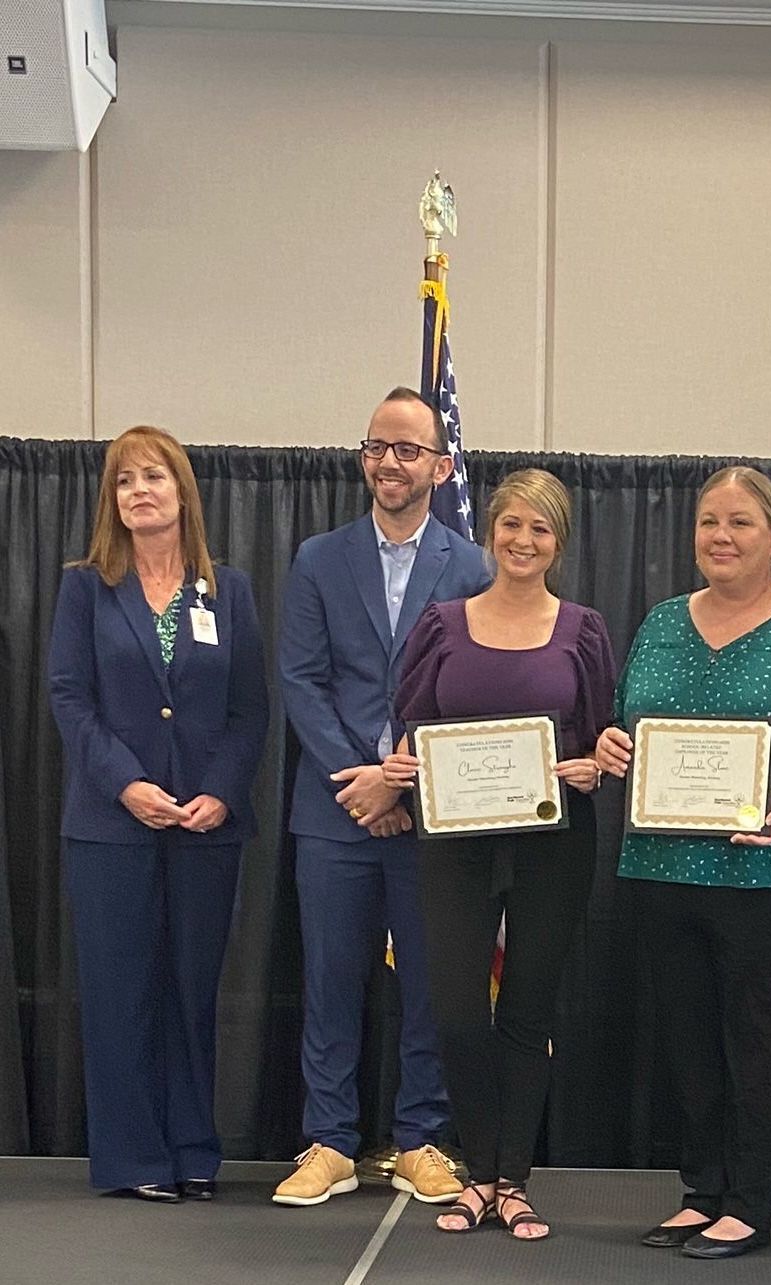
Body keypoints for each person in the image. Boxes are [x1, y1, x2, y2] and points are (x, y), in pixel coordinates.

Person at [595, 466, 771, 1261]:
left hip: (769, 871)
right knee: (687, 1041)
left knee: (762, 1040)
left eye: (740, 523)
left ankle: (750, 1199)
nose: (720, 536)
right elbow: (625, 719)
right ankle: (700, 1188)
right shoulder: (663, 621)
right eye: (709, 521)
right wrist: (611, 743)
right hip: (662, 868)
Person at [380, 468, 615, 1240]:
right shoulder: (443, 623)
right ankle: (476, 1170)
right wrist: (398, 770)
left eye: (539, 529)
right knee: (454, 1010)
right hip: (454, 844)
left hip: (554, 844)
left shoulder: (581, 628)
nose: (522, 540)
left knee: (527, 1011)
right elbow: (411, 725)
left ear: (559, 542)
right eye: (511, 524)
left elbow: (596, 738)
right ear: (491, 530)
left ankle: (510, 1179)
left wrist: (588, 767)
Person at [274, 387, 491, 1206]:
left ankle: (420, 1138)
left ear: (441, 465)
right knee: (331, 978)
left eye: (407, 449)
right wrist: (361, 782)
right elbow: (301, 679)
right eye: (377, 446)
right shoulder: (316, 559)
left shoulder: (472, 566)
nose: (389, 462)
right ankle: (328, 1139)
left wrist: (403, 774)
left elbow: (476, 691)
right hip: (333, 812)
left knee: (430, 982)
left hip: (433, 814)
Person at [48, 425, 269, 1201]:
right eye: (124, 481)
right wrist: (126, 784)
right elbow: (69, 698)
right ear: (112, 500)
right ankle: (134, 1157)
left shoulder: (227, 590)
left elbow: (249, 712)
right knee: (120, 991)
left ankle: (191, 1149)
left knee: (190, 988)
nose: (139, 491)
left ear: (182, 492)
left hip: (206, 828)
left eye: (154, 477)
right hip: (111, 826)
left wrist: (221, 791)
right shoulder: (87, 586)